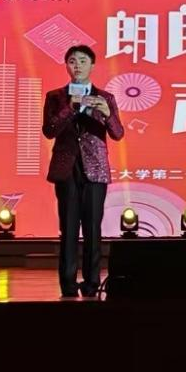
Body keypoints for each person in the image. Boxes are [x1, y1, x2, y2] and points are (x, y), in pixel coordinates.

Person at [43, 44, 124, 298]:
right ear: (66, 66)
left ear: (92, 65)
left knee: (92, 229)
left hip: (95, 170)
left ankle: (91, 284)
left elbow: (118, 134)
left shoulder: (106, 97)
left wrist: (107, 113)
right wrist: (71, 107)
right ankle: (68, 285)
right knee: (68, 229)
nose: (77, 65)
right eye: (72, 61)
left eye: (82, 61)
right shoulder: (55, 97)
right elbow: (49, 130)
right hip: (67, 169)